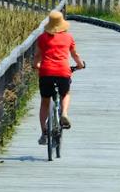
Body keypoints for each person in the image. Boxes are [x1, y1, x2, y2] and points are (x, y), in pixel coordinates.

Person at [33, 10, 85, 145]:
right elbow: (75, 55)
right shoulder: (68, 37)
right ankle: (64, 114)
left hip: (46, 72)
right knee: (65, 93)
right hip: (63, 71)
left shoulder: (42, 38)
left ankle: (44, 132)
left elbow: (37, 56)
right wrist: (80, 65)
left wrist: (36, 65)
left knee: (45, 101)